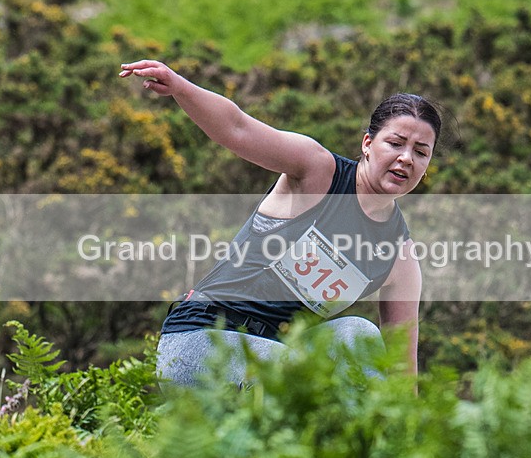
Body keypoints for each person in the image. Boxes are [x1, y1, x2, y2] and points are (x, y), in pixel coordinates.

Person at [119, 59, 447, 388]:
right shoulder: (318, 171)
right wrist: (179, 87)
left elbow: (403, 372)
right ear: (367, 144)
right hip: (203, 341)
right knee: (319, 389)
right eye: (395, 143)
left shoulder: (400, 259)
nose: (406, 158)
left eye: (421, 152)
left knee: (359, 335)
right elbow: (237, 127)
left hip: (277, 358)